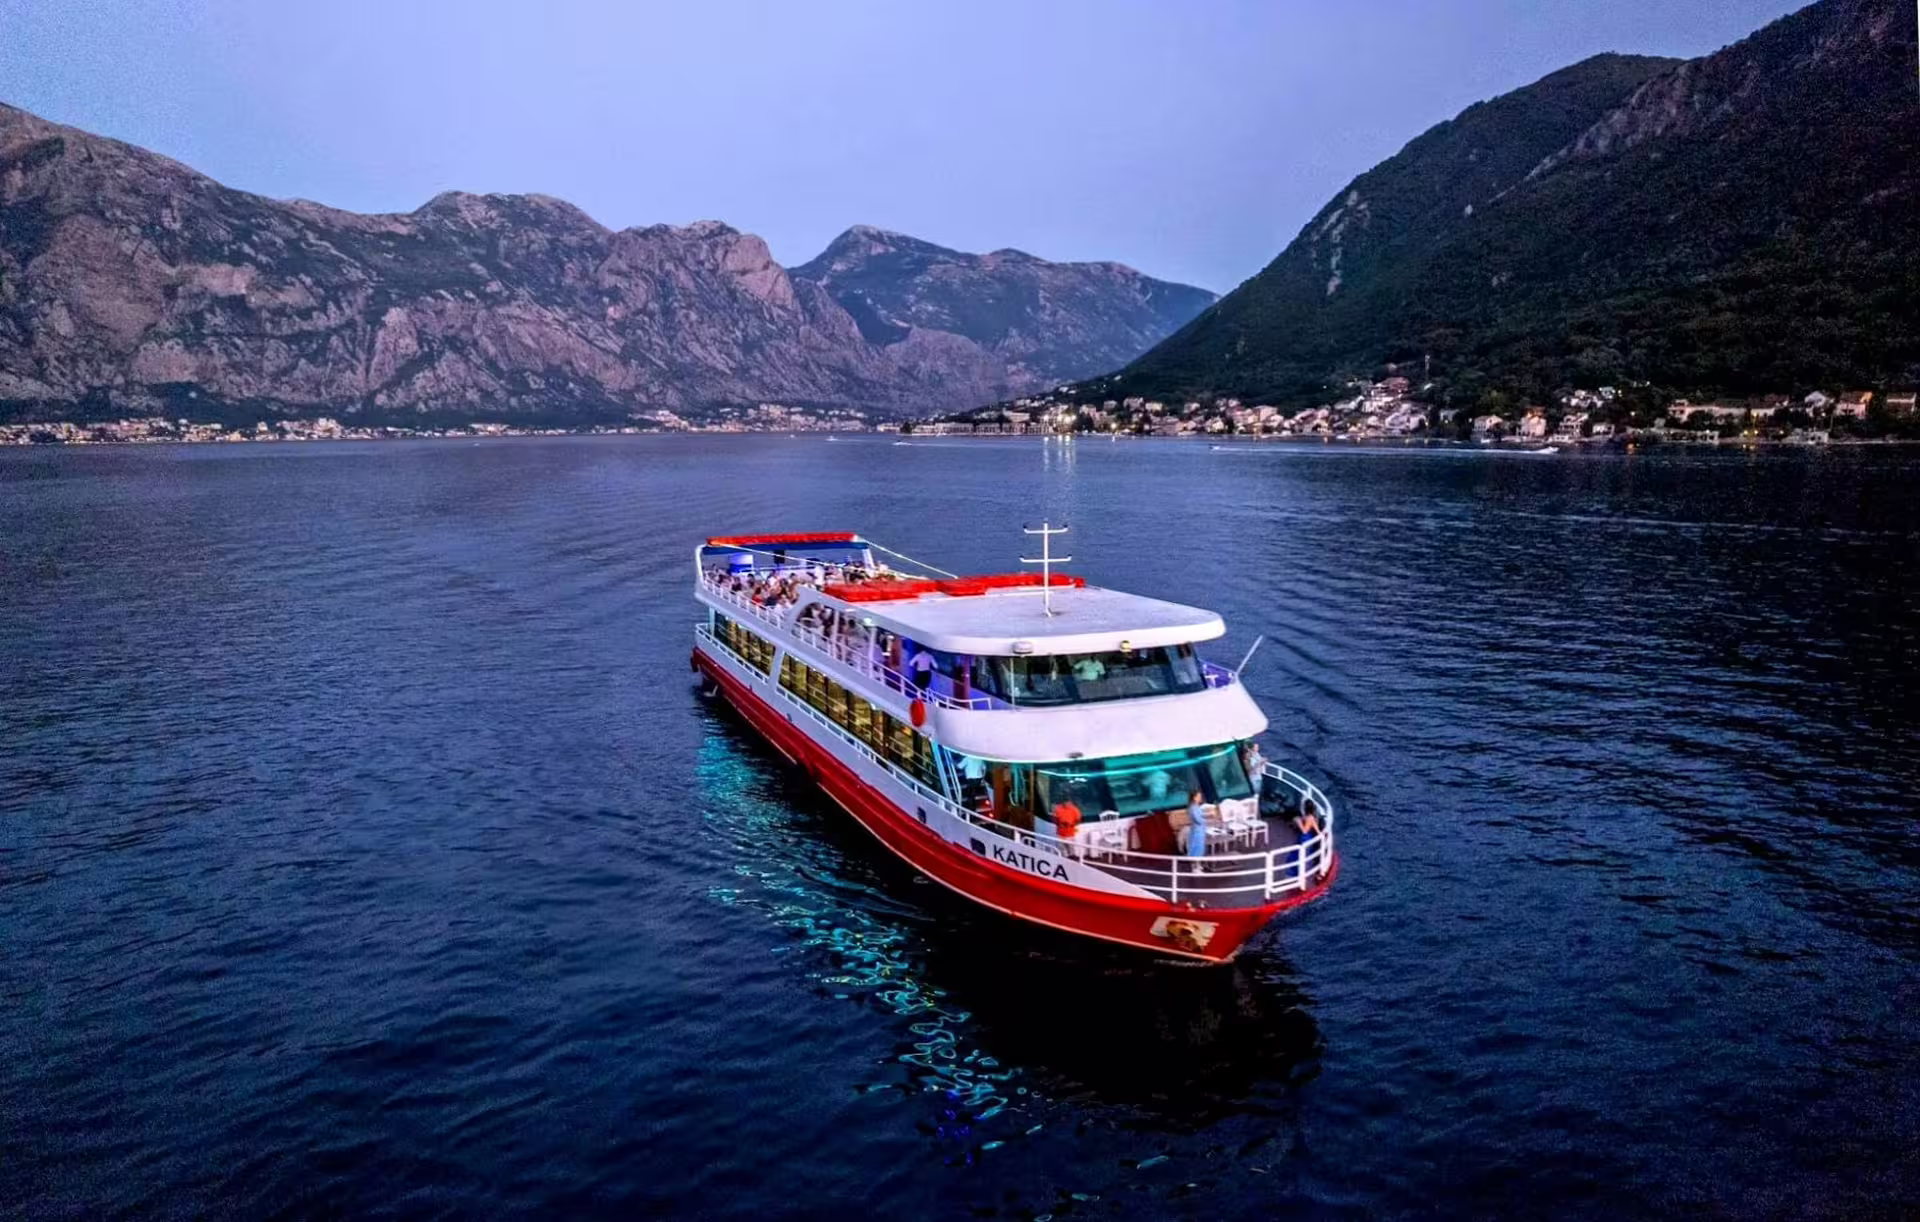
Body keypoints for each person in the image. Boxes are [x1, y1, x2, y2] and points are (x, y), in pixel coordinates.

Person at [1185, 790, 1210, 861]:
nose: (1200, 798)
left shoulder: (1196, 807)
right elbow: (1198, 820)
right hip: (1197, 832)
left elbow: (1201, 814)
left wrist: (1208, 815)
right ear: (1194, 798)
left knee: (1200, 849)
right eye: (1198, 797)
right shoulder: (1192, 808)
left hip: (1200, 831)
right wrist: (1208, 820)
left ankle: (1198, 865)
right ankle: (1195, 867)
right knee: (1196, 850)